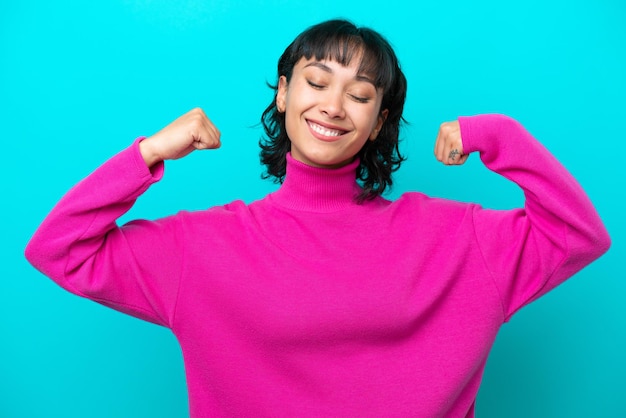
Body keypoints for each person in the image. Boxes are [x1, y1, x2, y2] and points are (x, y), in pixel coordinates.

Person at [25, 19, 610, 417]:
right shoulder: (201, 246)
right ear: (283, 93)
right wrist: (147, 153)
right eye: (317, 81)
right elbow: (59, 249)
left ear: (379, 121)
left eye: (360, 95)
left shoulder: (460, 239)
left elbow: (577, 235)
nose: (333, 105)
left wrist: (499, 135)